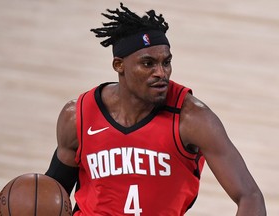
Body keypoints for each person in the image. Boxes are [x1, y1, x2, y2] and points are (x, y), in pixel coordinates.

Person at [43, 3, 266, 216]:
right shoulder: (78, 116)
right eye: (148, 64)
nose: (161, 73)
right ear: (119, 65)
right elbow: (50, 193)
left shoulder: (193, 119)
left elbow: (250, 196)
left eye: (166, 62)